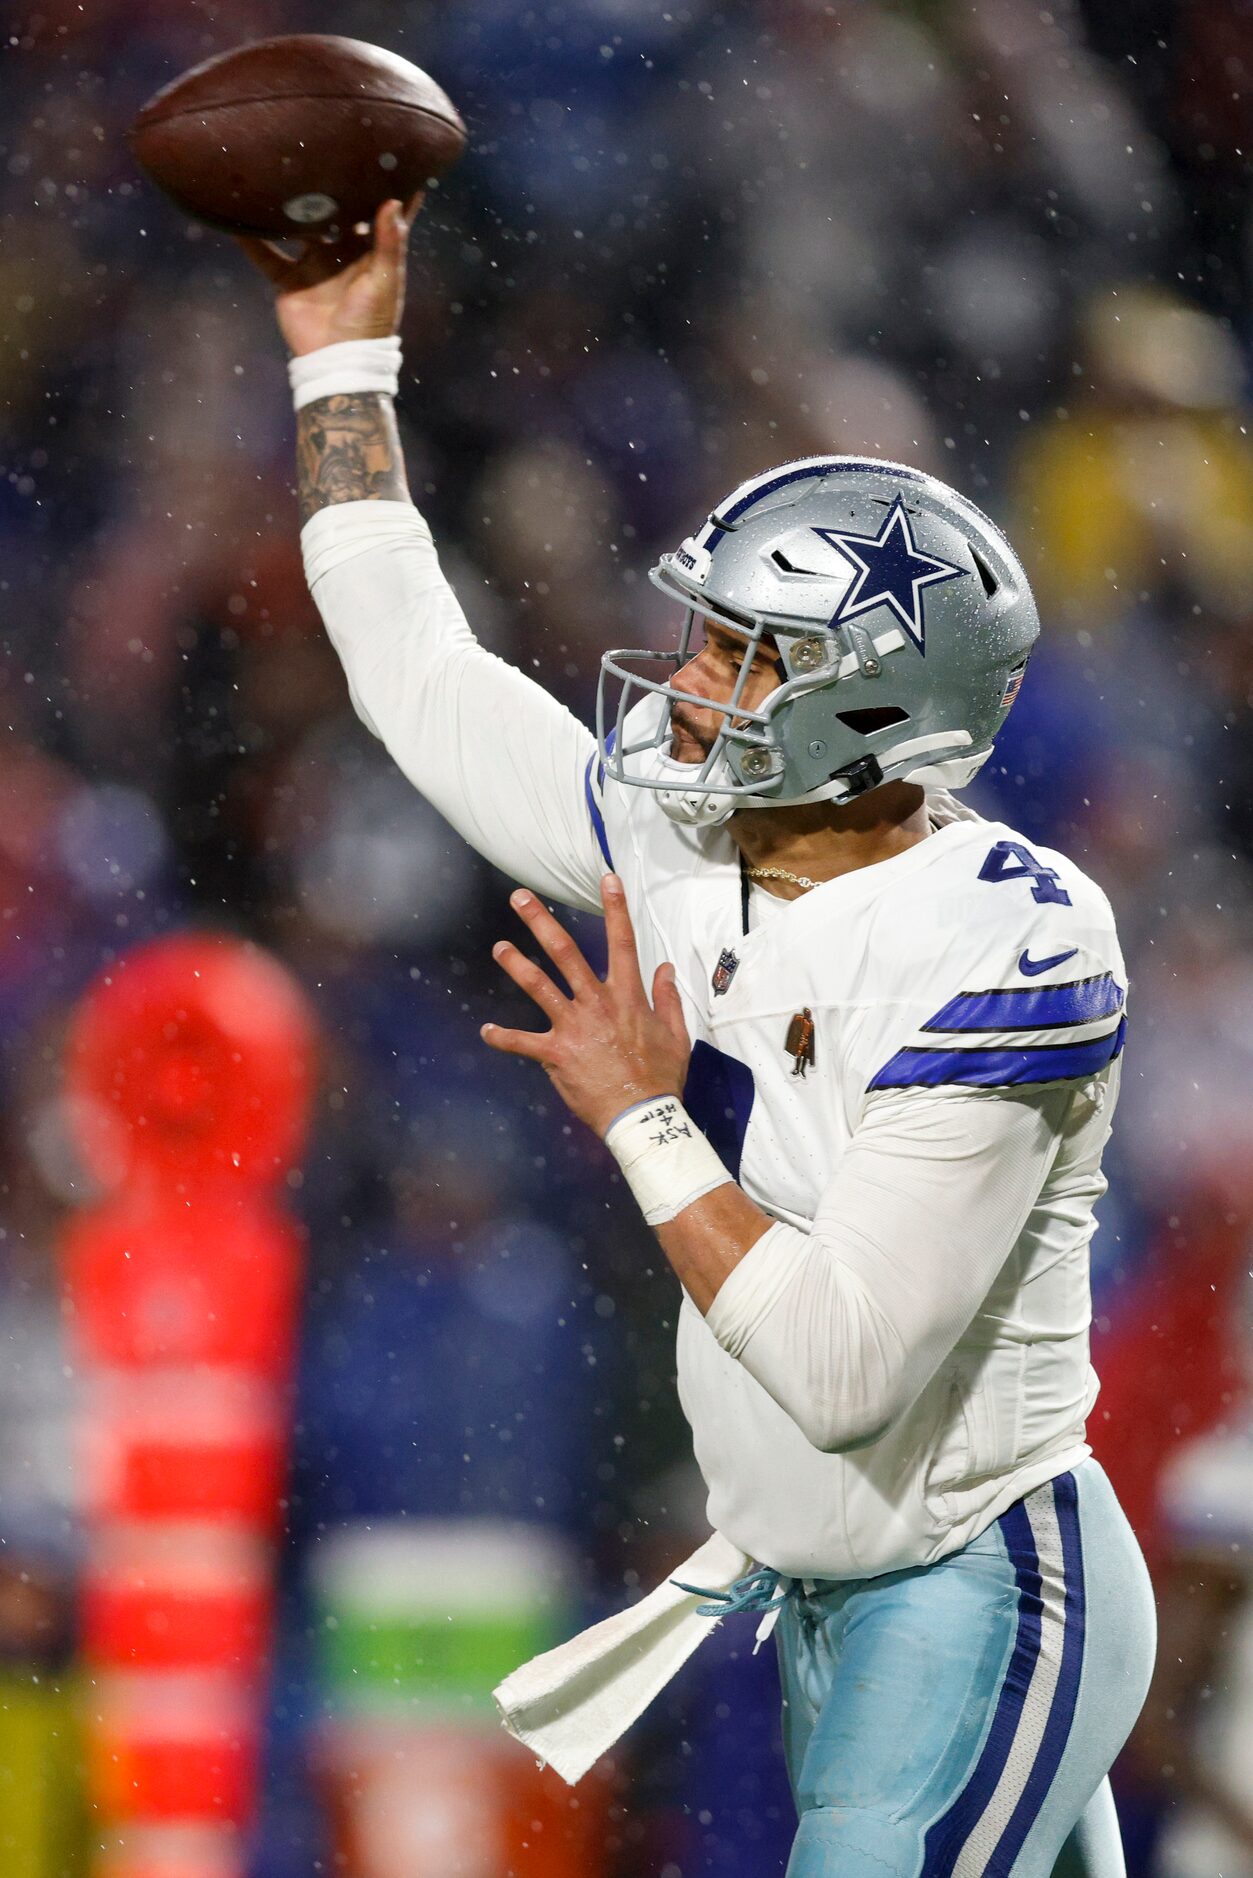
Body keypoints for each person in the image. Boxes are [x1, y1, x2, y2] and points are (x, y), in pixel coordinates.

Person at [238, 198, 1157, 1877]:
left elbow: (841, 1364)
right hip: (827, 1592)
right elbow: (414, 669)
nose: (689, 677)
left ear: (877, 703)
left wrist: (643, 1118)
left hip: (981, 1584)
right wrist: (338, 362)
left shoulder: (1008, 937)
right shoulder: (678, 836)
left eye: (744, 650)